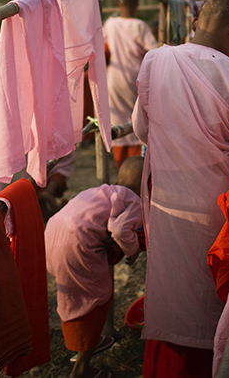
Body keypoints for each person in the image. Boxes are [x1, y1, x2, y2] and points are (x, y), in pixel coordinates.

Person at [133, 0, 229, 378]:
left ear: (194, 22)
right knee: (210, 285)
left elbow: (141, 128)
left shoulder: (156, 59)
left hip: (168, 194)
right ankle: (216, 356)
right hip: (213, 196)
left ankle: (170, 361)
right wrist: (216, 151)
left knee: (171, 281)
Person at [45, 157, 146, 378]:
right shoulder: (135, 200)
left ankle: (83, 344)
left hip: (52, 235)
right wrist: (134, 251)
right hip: (78, 245)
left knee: (72, 296)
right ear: (146, 186)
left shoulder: (102, 191)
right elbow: (119, 230)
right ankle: (81, 368)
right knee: (96, 298)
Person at [103, 0, 158, 167]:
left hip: (114, 79)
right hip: (135, 78)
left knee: (117, 120)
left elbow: (103, 48)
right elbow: (154, 51)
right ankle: (135, 166)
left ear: (118, 5)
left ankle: (121, 166)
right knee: (137, 120)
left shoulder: (110, 24)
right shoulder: (140, 26)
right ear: (136, 5)